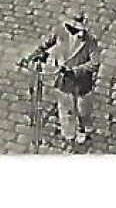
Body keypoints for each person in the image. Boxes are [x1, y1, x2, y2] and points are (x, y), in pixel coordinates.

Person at [20, 13, 103, 146]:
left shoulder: (89, 41)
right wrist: (30, 56)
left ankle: (83, 129)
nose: (69, 29)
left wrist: (75, 70)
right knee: (65, 108)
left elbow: (95, 64)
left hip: (81, 81)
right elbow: (45, 44)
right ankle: (69, 135)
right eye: (69, 26)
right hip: (63, 79)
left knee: (83, 109)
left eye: (73, 27)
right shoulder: (60, 31)